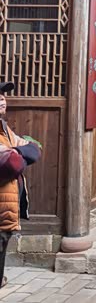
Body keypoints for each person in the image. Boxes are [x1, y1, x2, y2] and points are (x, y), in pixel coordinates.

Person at [0, 82, 41, 287]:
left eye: (2, 95)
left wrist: (16, 152)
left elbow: (34, 150)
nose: (1, 99)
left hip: (6, 205)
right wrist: (17, 155)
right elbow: (12, 164)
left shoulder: (4, 128)